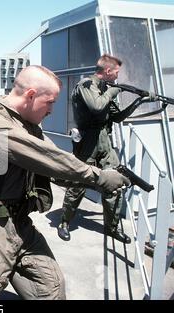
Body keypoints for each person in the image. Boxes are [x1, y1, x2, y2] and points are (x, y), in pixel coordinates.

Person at [0, 65, 131, 300]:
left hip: (19, 223)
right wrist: (98, 178)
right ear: (30, 96)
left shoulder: (27, 126)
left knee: (51, 287)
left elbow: (56, 165)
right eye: (50, 102)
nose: (51, 110)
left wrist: (97, 175)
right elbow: (44, 157)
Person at [57, 54, 154, 244]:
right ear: (107, 71)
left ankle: (112, 227)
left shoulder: (105, 88)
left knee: (115, 184)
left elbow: (117, 117)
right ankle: (64, 222)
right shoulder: (86, 84)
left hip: (104, 142)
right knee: (78, 185)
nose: (118, 76)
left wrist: (139, 101)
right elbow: (97, 106)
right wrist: (114, 91)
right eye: (116, 72)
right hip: (87, 143)